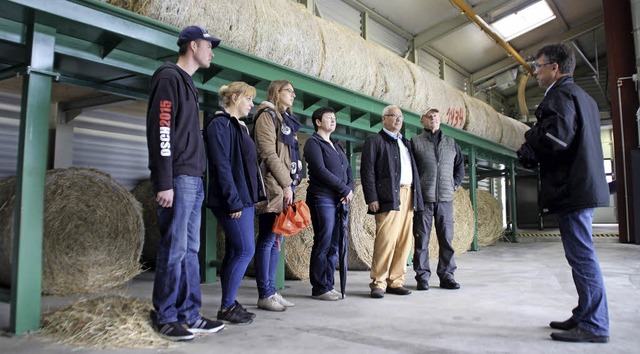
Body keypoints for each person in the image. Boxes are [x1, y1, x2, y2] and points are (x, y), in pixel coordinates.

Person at [520, 43, 610, 343]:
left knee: (582, 257)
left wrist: (530, 135)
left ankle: (595, 325)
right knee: (580, 257)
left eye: (539, 65)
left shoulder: (560, 95)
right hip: (581, 185)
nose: (535, 71)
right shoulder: (583, 97)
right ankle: (585, 313)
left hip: (573, 187)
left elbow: (556, 139)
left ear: (555, 68)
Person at [146, 26, 225, 341]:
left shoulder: (187, 83)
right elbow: (161, 130)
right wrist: (164, 180)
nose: (212, 52)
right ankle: (165, 315)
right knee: (175, 248)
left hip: (193, 177)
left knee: (191, 249)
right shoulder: (168, 78)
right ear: (193, 45)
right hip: (177, 178)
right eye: (209, 46)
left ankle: (189, 314)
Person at [203, 82, 261, 325]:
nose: (251, 104)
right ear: (235, 98)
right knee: (246, 250)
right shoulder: (219, 124)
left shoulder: (239, 127)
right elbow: (222, 166)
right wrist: (234, 201)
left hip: (243, 198)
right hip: (231, 199)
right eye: (248, 99)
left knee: (236, 251)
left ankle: (229, 303)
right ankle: (227, 306)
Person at [360, 105, 423, 299]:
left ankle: (396, 282)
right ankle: (378, 282)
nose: (398, 120)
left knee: (404, 242)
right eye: (393, 116)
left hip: (408, 194)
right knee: (386, 240)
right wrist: (372, 197)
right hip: (388, 197)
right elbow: (367, 170)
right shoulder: (375, 140)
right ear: (383, 119)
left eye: (400, 117)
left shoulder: (405, 142)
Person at [253, 80, 301, 311]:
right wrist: (286, 183)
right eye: (289, 91)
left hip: (280, 186)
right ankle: (265, 294)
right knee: (267, 239)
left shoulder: (282, 119)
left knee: (275, 241)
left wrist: (288, 183)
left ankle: (272, 291)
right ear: (276, 92)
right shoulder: (266, 115)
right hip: (271, 186)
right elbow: (268, 153)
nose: (293, 95)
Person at [304, 107, 354, 301]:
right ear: (318, 121)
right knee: (323, 241)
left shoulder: (336, 145)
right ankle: (319, 287)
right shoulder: (313, 143)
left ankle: (328, 284)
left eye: (335, 118)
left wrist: (349, 189)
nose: (333, 120)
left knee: (335, 243)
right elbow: (319, 170)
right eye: (329, 118)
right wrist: (343, 189)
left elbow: (348, 170)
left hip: (338, 198)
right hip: (322, 198)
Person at [411, 108, 465, 291]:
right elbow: (412, 170)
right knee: (422, 239)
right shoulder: (415, 142)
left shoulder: (451, 143)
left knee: (446, 239)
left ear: (440, 120)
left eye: (435, 115)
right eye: (428, 116)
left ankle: (447, 275)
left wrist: (454, 185)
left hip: (445, 199)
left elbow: (460, 167)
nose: (432, 118)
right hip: (424, 200)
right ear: (422, 121)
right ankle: (422, 277)